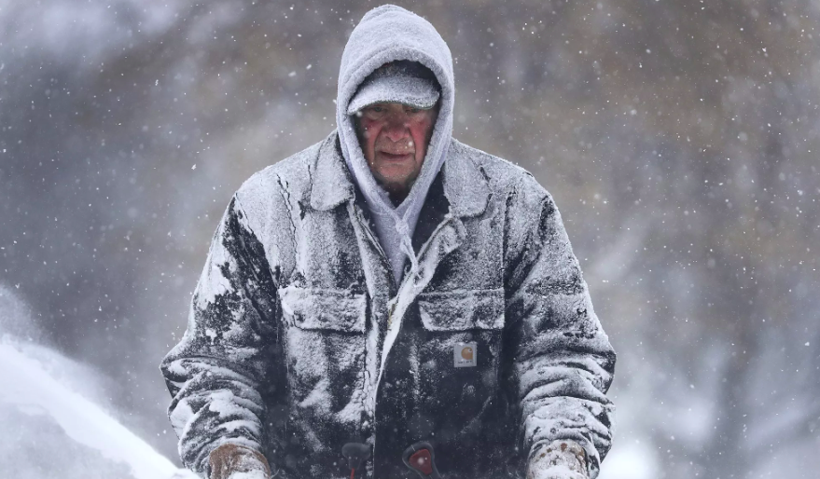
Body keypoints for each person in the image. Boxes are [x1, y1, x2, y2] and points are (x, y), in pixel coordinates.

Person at [160, 5, 615, 479]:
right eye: (378, 110)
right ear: (349, 111)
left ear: (440, 113)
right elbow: (214, 365)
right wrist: (235, 459)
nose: (397, 132)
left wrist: (562, 456)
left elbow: (564, 357)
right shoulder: (269, 209)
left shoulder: (516, 209)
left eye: (414, 110)